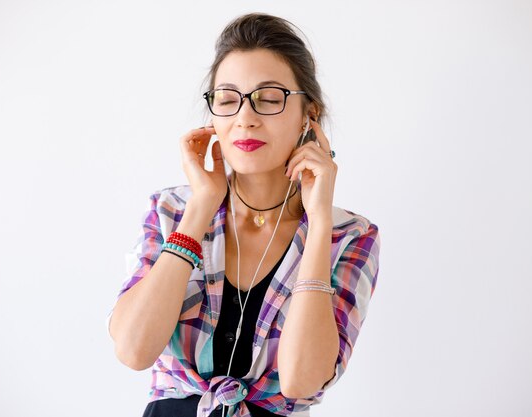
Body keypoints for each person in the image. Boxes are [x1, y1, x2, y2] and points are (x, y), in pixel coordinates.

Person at [106, 12, 381, 417]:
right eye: (228, 99)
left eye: (269, 99)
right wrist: (202, 205)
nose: (245, 118)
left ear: (310, 115)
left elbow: (302, 380)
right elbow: (133, 350)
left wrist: (318, 223)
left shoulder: (348, 235)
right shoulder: (172, 210)